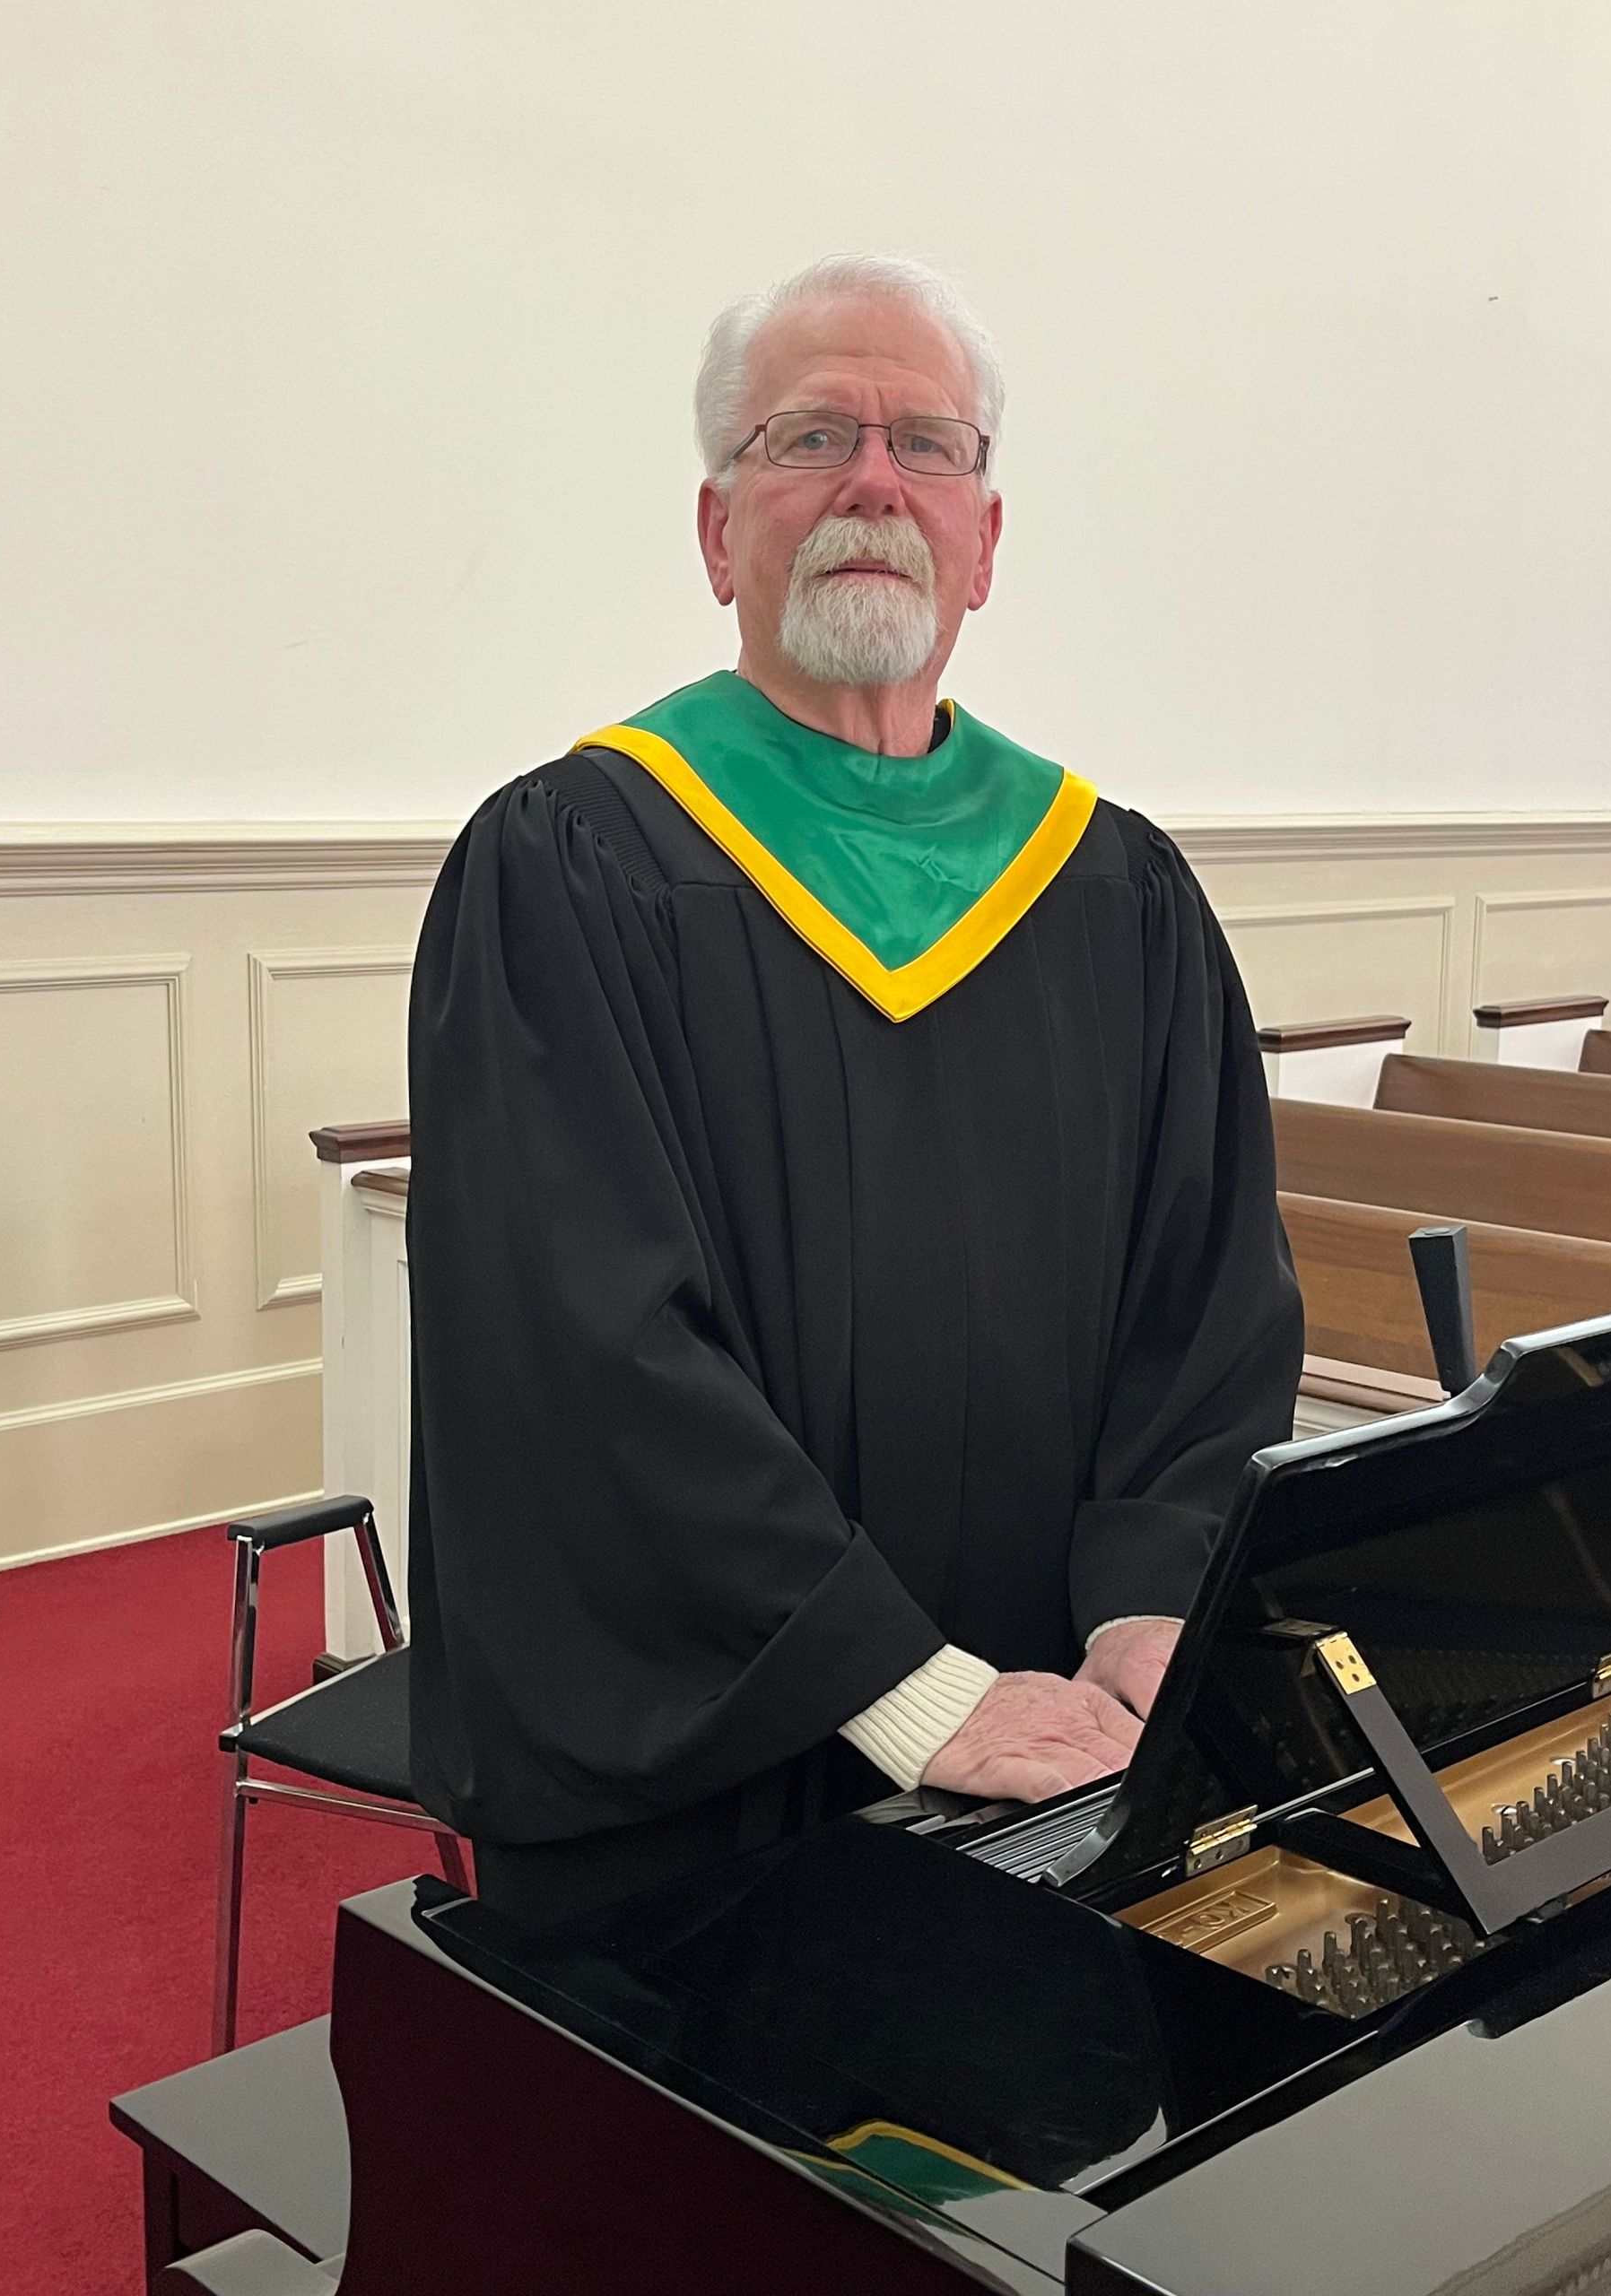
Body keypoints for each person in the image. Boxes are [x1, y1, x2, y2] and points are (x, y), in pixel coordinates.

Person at [406, 253, 1303, 1930]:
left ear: (986, 539)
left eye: (928, 445)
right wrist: (895, 1683)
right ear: (715, 527)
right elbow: (573, 1346)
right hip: (713, 1792)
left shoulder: (1116, 889)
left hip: (1066, 1743)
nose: (875, 482)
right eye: (810, 435)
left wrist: (1148, 1612)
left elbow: (1210, 1304)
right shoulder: (573, 862)